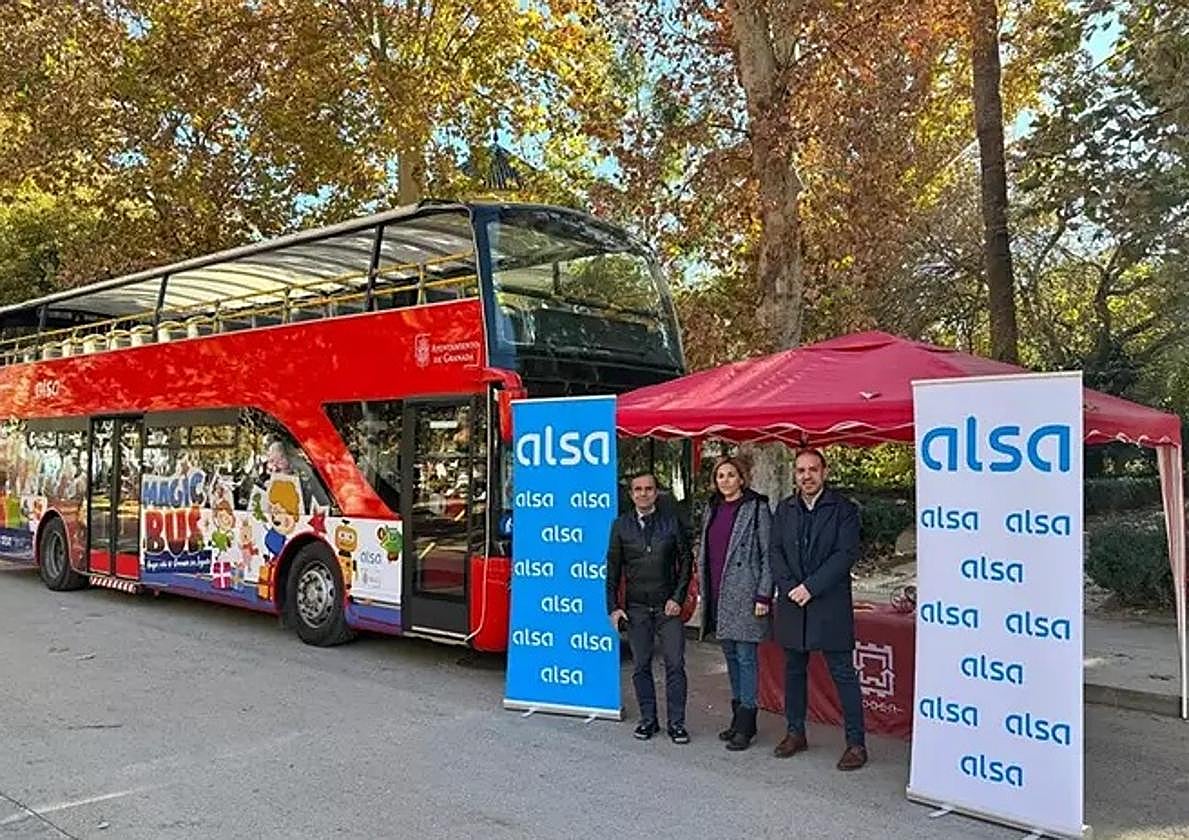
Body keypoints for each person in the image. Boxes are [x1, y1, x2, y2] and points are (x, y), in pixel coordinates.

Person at [769, 448, 867, 770]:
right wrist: (789, 589)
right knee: (794, 672)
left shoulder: (843, 509)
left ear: (824, 472)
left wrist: (810, 587)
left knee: (843, 674)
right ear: (795, 475)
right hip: (793, 604)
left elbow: (844, 554)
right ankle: (795, 732)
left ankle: (856, 744)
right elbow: (776, 552)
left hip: (828, 604)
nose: (806, 476)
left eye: (813, 469)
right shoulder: (784, 510)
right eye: (800, 470)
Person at [607, 472, 693, 744]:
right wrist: (613, 608)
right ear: (631, 494)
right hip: (637, 609)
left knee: (675, 665)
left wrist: (677, 598)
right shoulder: (620, 525)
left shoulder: (671, 523)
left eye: (649, 489)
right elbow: (612, 570)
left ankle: (676, 724)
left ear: (657, 493)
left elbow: (686, 563)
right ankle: (648, 720)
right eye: (638, 489)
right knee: (641, 665)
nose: (643, 494)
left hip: (668, 607)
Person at [698, 456, 772, 751]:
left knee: (746, 659)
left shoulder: (756, 508)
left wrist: (764, 594)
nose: (725, 480)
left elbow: (769, 554)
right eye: (720, 476)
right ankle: (736, 718)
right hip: (719, 592)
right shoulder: (712, 508)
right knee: (729, 656)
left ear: (742, 478)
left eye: (731, 475)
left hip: (746, 593)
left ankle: (747, 724)